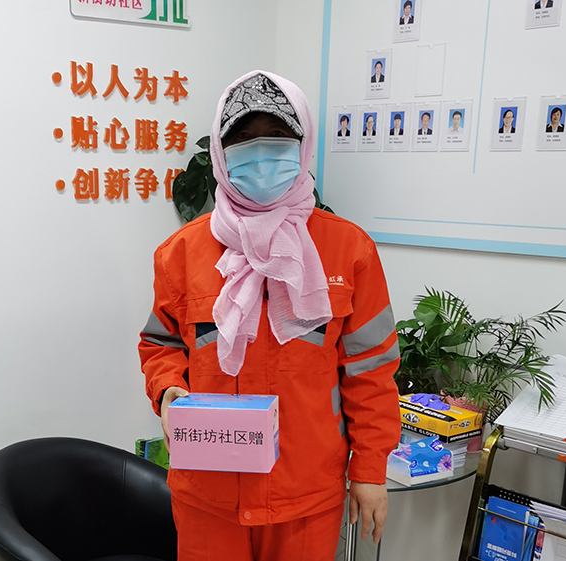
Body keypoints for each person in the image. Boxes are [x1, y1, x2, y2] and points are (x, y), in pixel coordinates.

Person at [139, 70, 401, 561]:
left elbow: (371, 371)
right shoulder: (181, 253)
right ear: (221, 152)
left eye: (277, 135)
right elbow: (161, 344)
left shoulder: (348, 250)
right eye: (243, 137)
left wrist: (369, 471)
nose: (260, 152)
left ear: (302, 145)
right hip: (208, 493)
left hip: (306, 496)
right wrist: (168, 388)